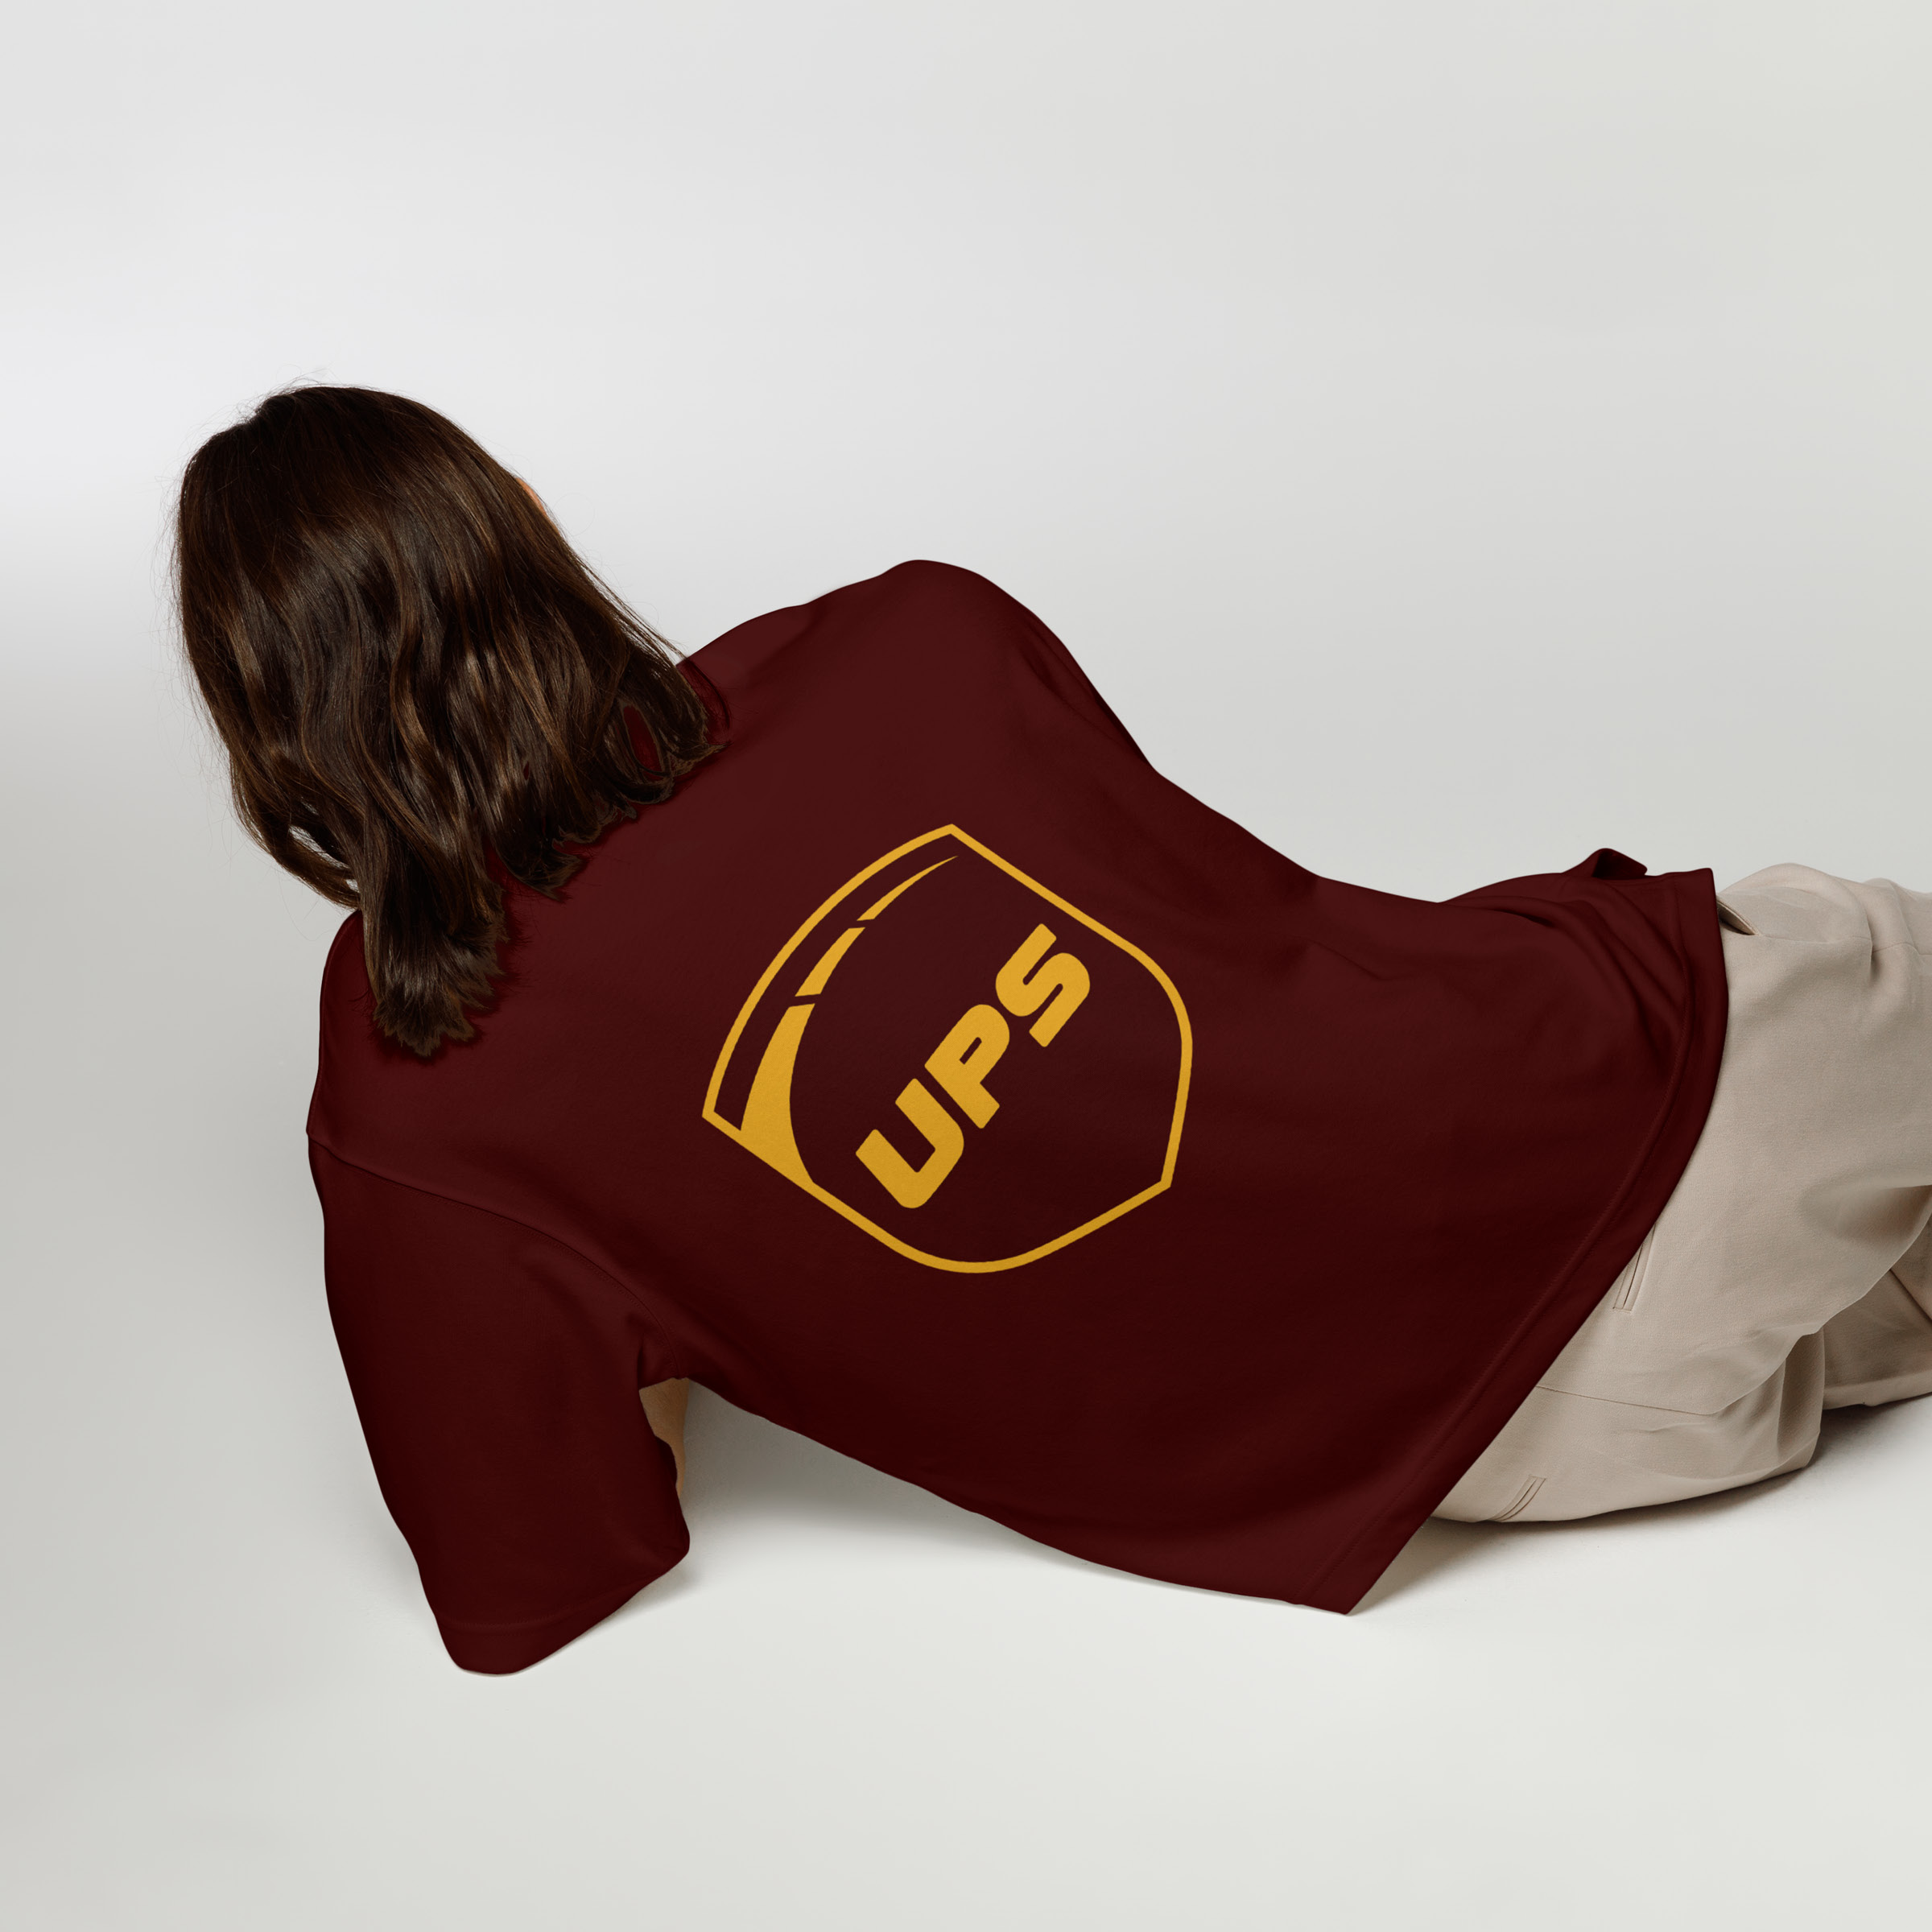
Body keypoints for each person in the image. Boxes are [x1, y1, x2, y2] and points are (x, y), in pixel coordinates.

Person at [175, 385, 1932, 1672]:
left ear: (271, 742)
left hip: (1567, 1432)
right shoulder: (910, 640)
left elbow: (532, 1579)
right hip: (1684, 1067)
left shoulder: (417, 1096)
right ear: (523, 525)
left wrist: (649, 1284)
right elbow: (1222, 934)